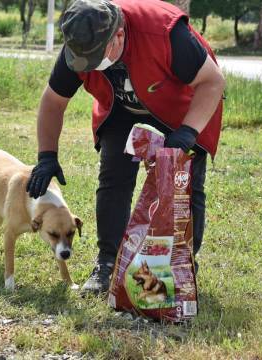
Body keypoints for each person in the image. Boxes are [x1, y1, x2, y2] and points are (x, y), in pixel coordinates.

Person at [26, 0, 225, 294]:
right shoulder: (81, 41)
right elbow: (53, 101)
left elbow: (212, 82)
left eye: (96, 57)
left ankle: (182, 265)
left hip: (181, 110)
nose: (90, 65)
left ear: (118, 36)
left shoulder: (165, 34)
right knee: (113, 180)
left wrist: (187, 132)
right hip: (121, 110)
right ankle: (108, 262)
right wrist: (46, 157)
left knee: (183, 186)